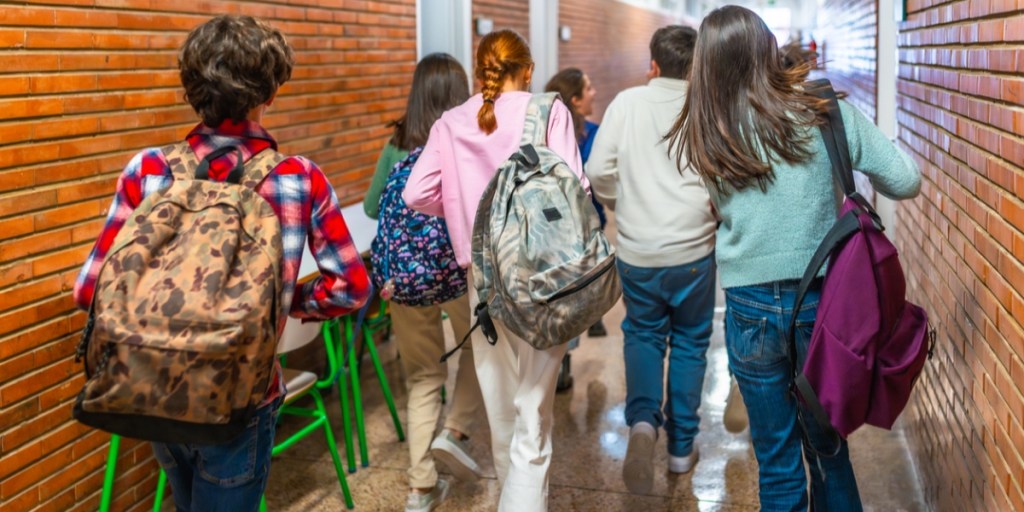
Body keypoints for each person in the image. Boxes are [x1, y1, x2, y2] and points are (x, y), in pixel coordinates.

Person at [73, 15, 371, 511]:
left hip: (151, 386)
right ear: (269, 93)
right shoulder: (299, 179)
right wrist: (284, 301)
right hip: (243, 394)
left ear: (192, 89)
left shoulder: (147, 170)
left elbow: (90, 290)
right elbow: (352, 288)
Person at [664, 6, 921, 510]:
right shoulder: (823, 110)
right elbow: (905, 180)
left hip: (749, 305)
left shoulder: (705, 126)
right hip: (825, 305)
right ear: (767, 49)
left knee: (777, 462)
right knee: (829, 449)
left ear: (708, 62)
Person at [403, 29, 589, 512]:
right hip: (543, 276)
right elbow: (578, 191)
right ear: (526, 71)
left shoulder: (450, 122)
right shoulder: (549, 112)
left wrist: (466, 211)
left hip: (482, 282)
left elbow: (415, 193)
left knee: (504, 413)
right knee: (533, 415)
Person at [586, 25, 717, 494]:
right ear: (696, 65)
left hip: (639, 251)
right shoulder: (707, 105)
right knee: (689, 341)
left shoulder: (626, 104)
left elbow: (598, 169)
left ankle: (642, 426)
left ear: (654, 64)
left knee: (642, 334)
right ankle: (682, 449)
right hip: (694, 252)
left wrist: (624, 204)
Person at [363, 53, 486, 512]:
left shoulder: (398, 143)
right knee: (478, 350)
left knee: (422, 379)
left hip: (406, 282)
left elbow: (375, 208)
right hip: (457, 274)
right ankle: (455, 431)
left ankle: (419, 488)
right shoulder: (468, 141)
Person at [543, 67, 605, 393]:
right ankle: (563, 361)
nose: (595, 93)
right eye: (589, 89)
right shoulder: (593, 133)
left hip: (547, 228)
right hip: (582, 230)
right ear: (576, 100)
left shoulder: (539, 130)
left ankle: (556, 363)